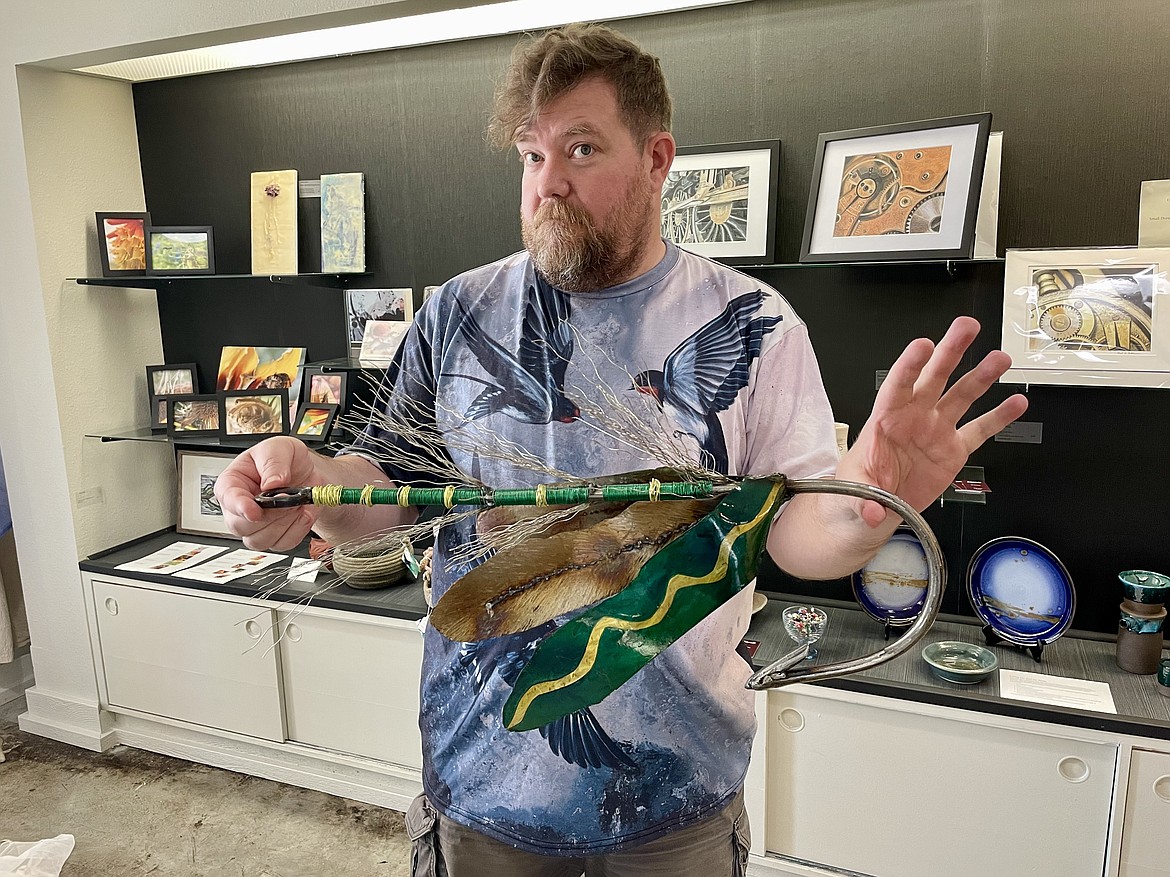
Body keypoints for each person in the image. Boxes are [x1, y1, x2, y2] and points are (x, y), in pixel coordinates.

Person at [215, 22, 1027, 876]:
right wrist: (317, 487)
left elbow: (791, 534)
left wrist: (868, 502)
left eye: (581, 148)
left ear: (656, 158)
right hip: (481, 786)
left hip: (678, 799)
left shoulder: (751, 323)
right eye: (531, 156)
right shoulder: (458, 313)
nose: (548, 183)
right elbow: (387, 491)